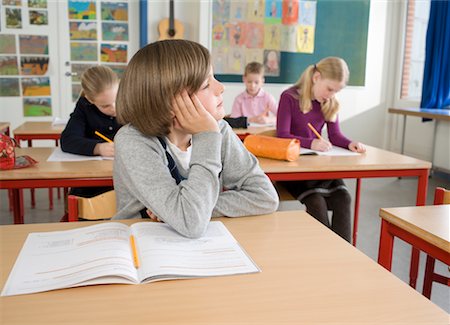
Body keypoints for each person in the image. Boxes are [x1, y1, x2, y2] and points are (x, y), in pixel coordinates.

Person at [113, 40, 279, 238]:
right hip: (142, 245)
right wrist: (206, 137)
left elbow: (265, 196)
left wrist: (194, 208)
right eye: (206, 84)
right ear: (169, 102)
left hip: (203, 245)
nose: (221, 88)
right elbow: (190, 222)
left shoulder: (219, 129)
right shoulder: (134, 140)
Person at [276, 57, 366, 242]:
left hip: (319, 168)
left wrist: (350, 144)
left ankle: (344, 254)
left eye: (337, 91)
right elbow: (282, 135)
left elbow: (335, 136)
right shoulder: (289, 97)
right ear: (316, 77)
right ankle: (324, 253)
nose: (331, 95)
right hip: (296, 170)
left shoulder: (329, 102)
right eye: (330, 89)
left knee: (344, 198)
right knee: (316, 202)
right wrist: (310, 143)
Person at [60, 65, 120, 197]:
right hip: (93, 180)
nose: (114, 108)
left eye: (117, 100)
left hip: (125, 177)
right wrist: (98, 148)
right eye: (105, 105)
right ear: (90, 99)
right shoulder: (84, 107)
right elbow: (67, 140)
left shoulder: (131, 101)